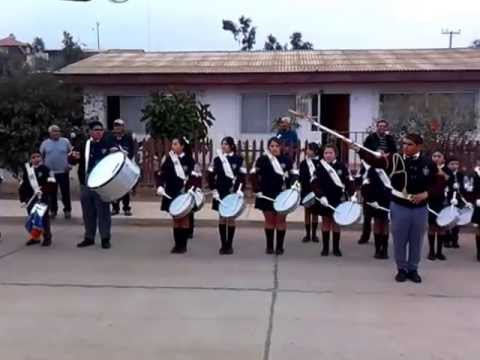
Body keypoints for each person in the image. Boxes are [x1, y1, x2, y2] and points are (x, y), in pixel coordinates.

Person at [355, 133, 439, 283]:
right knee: (400, 239)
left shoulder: (428, 163)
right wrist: (359, 150)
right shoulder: (395, 159)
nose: (405, 147)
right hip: (399, 205)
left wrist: (426, 194)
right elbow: (376, 162)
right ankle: (401, 269)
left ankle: (413, 269)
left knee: (416, 239)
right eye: (404, 144)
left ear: (419, 146)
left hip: (420, 208)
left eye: (409, 144)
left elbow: (438, 184)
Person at [69, 121, 117, 249]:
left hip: (102, 185)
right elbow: (72, 160)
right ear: (90, 132)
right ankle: (89, 237)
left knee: (104, 212)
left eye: (101, 130)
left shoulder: (108, 143)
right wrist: (73, 157)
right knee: (88, 212)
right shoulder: (84, 144)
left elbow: (117, 160)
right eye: (96, 130)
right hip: (86, 184)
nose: (99, 132)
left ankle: (105, 238)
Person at [156, 137, 202, 254]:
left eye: (176, 144)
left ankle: (183, 245)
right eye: (172, 144)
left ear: (182, 146)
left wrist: (193, 188)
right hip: (171, 192)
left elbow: (196, 177)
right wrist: (160, 186)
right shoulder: (168, 159)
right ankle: (177, 245)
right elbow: (161, 174)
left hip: (185, 193)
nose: (173, 146)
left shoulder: (189, 160)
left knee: (185, 219)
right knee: (176, 219)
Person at [251, 137, 296, 255]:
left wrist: (292, 189)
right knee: (269, 220)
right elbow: (253, 175)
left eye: (276, 146)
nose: (274, 148)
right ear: (268, 147)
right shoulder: (262, 159)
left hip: (283, 194)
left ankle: (280, 247)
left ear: (281, 146)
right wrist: (257, 189)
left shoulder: (287, 160)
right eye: (272, 146)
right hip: (266, 193)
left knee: (281, 220)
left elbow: (294, 176)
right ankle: (269, 246)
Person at [358, 119, 397, 244]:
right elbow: (363, 152)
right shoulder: (370, 138)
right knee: (368, 207)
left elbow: (395, 154)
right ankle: (365, 235)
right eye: (379, 126)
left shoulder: (390, 139)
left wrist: (386, 156)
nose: (381, 128)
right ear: (376, 127)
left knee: (382, 209)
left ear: (386, 127)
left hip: (385, 170)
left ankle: (381, 239)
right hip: (370, 168)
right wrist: (374, 155)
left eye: (383, 126)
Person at [312, 144, 353, 257]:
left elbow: (348, 181)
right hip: (324, 199)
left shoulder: (341, 166)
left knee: (336, 223)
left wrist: (352, 194)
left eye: (330, 153)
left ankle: (336, 248)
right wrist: (321, 196)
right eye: (326, 153)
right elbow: (315, 184)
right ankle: (325, 248)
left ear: (335, 154)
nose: (328, 155)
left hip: (337, 198)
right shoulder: (320, 167)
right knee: (325, 222)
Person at [207, 136, 246, 254]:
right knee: (222, 217)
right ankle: (223, 244)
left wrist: (240, 189)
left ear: (231, 146)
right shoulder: (217, 159)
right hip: (221, 191)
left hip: (233, 191)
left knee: (231, 218)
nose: (223, 146)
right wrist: (213, 189)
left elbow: (242, 176)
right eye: (222, 144)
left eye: (226, 144)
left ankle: (230, 244)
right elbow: (210, 175)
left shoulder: (239, 159)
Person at [18, 150, 55, 246]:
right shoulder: (28, 170)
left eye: (38, 156)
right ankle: (35, 237)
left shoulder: (46, 169)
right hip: (30, 199)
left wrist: (43, 190)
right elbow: (23, 185)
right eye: (33, 157)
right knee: (33, 219)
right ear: (30, 159)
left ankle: (47, 238)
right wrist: (22, 199)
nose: (36, 159)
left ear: (41, 158)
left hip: (42, 197)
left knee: (43, 219)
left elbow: (52, 182)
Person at [40, 125, 73, 219]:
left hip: (63, 172)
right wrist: (43, 169)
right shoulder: (45, 143)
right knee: (51, 193)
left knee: (65, 192)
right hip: (50, 173)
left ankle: (67, 210)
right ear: (50, 133)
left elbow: (72, 154)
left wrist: (70, 165)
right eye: (54, 131)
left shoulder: (65, 142)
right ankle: (53, 210)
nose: (56, 133)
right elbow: (41, 156)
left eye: (58, 131)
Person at [361, 160, 391, 259]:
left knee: (385, 223)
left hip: (386, 200)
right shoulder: (370, 170)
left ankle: (385, 250)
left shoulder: (389, 169)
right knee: (377, 223)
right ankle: (378, 249)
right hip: (374, 201)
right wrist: (370, 199)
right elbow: (365, 186)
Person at [109, 119, 136, 216]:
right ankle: (115, 208)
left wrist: (127, 157)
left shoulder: (128, 137)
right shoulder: (110, 137)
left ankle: (126, 208)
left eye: (119, 125)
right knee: (113, 187)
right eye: (116, 125)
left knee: (125, 187)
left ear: (123, 127)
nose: (117, 127)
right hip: (113, 165)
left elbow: (132, 150)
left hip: (124, 165)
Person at [427, 151, 450, 261]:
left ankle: (439, 252)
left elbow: (447, 179)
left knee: (441, 227)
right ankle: (431, 251)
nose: (436, 158)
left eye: (439, 156)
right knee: (432, 226)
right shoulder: (428, 169)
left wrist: (439, 169)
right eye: (434, 156)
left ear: (443, 159)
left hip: (443, 201)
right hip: (431, 200)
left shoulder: (446, 169)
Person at [299, 142, 320, 243]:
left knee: (315, 212)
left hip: (316, 191)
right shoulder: (303, 163)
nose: (307, 151)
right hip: (306, 190)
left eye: (310, 149)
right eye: (307, 149)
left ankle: (314, 234)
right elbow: (301, 177)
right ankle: (307, 234)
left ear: (315, 151)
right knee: (307, 212)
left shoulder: (320, 162)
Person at [444, 157, 468, 248]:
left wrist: (460, 188)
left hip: (458, 200)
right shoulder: (445, 173)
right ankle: (446, 239)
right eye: (452, 164)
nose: (454, 166)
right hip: (448, 199)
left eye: (456, 164)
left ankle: (454, 239)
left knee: (456, 220)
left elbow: (464, 188)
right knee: (447, 219)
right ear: (448, 165)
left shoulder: (460, 175)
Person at [470, 161, 480, 262]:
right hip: (479, 203)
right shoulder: (475, 174)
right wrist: (476, 199)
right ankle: (479, 252)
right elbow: (472, 189)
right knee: (479, 229)